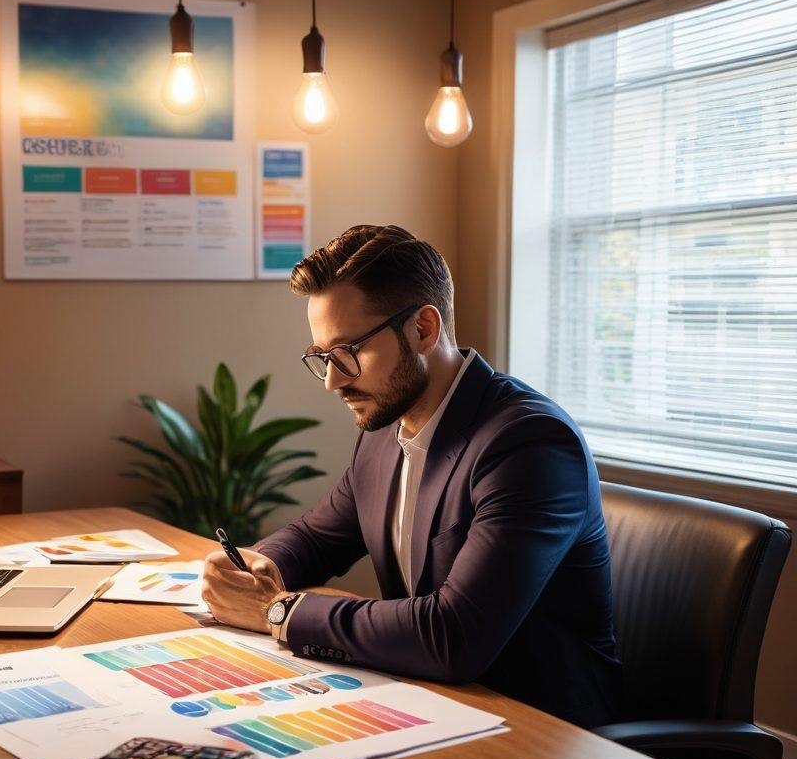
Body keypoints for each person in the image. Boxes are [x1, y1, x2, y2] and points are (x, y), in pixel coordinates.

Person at [202, 224, 622, 728]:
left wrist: (279, 611)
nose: (334, 379)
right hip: (432, 704)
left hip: (542, 734)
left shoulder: (529, 443)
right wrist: (252, 567)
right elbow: (318, 536)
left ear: (423, 328)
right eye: (322, 357)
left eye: (349, 351)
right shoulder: (386, 424)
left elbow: (454, 635)